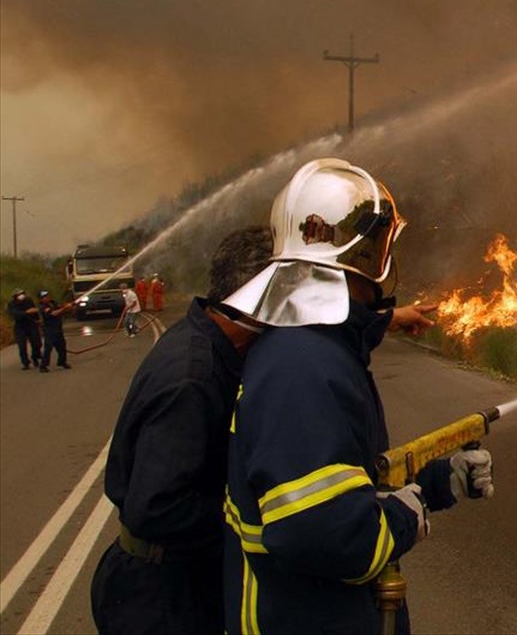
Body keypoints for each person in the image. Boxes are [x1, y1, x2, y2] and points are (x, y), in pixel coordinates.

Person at [220, 158, 491, 634]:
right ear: (366, 257)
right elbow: (321, 530)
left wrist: (433, 485)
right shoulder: (303, 366)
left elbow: (339, 481)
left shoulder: (307, 345)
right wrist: (407, 516)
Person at [90, 226, 275, 635]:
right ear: (262, 301)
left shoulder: (204, 334)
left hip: (174, 584)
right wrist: (258, 515)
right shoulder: (192, 379)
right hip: (162, 600)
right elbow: (157, 507)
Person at [36, 290, 72, 372]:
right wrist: (64, 308)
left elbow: (60, 308)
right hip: (49, 329)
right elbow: (53, 313)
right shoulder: (42, 307)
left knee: (62, 346)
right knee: (48, 348)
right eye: (44, 297)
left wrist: (68, 306)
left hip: (58, 328)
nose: (46, 298)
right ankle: (43, 366)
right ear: (40, 299)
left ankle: (62, 362)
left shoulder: (53, 303)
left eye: (47, 296)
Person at [7, 290, 42, 370]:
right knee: (22, 346)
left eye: (22, 294)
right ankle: (25, 363)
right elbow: (15, 314)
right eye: (19, 294)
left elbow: (34, 310)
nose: (21, 296)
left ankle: (35, 357)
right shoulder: (12, 304)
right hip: (20, 326)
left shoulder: (28, 300)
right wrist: (26, 312)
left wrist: (38, 319)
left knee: (37, 343)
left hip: (31, 324)